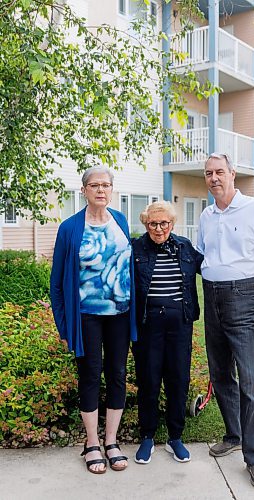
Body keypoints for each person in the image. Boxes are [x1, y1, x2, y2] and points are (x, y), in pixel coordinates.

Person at [197, 153, 254, 489]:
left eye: (220, 171)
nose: (214, 178)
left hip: (246, 298)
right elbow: (202, 256)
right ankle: (233, 434)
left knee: (249, 380)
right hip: (213, 298)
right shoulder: (206, 216)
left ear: (233, 174)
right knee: (221, 374)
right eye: (208, 173)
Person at [50, 165, 137, 474]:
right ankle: (91, 443)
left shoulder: (122, 222)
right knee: (89, 375)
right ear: (84, 190)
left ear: (111, 190)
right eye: (95, 185)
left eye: (106, 185)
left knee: (117, 374)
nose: (101, 190)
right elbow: (57, 284)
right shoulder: (70, 228)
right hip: (86, 317)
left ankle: (111, 441)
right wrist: (63, 326)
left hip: (120, 315)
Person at [132, 201, 203, 464]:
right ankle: (147, 437)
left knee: (178, 380)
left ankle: (175, 438)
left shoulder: (184, 246)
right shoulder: (136, 248)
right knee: (148, 380)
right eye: (153, 224)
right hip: (148, 324)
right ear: (146, 224)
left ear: (172, 224)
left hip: (180, 325)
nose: (159, 229)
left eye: (164, 223)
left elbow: (210, 268)